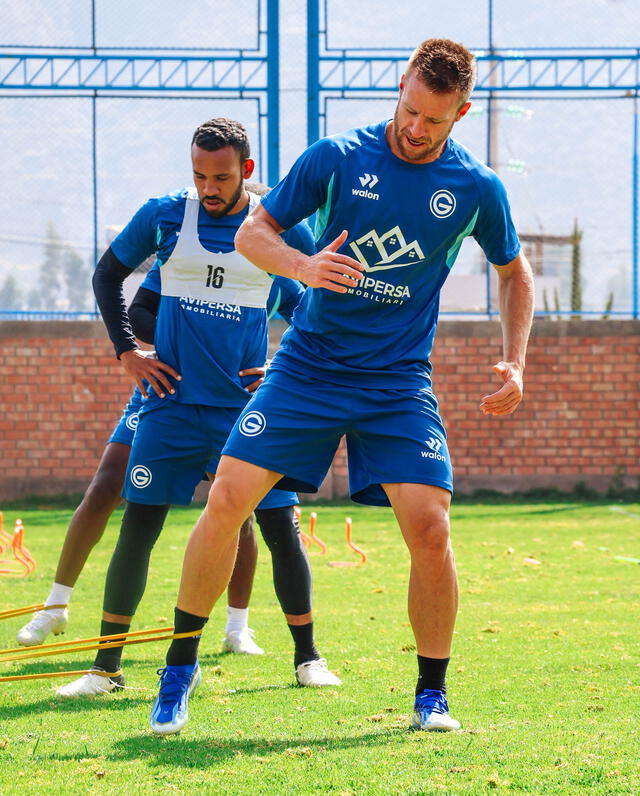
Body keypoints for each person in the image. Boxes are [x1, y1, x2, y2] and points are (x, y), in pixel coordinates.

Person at [149, 38, 535, 735]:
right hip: (309, 367)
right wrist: (303, 267)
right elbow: (253, 234)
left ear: (462, 113)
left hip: (395, 381)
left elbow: (514, 272)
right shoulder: (336, 156)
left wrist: (516, 358)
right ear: (400, 88)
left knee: (430, 526)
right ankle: (179, 671)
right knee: (229, 497)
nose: (418, 129)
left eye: (436, 121)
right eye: (411, 111)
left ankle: (431, 696)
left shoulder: (477, 188)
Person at [55, 118, 340, 698]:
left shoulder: (275, 229)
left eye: (222, 176)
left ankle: (308, 658)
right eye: (199, 175)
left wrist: (284, 363)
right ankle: (104, 668)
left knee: (280, 527)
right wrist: (128, 351)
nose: (209, 187)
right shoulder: (165, 215)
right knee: (138, 526)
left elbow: (320, 298)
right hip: (170, 406)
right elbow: (108, 273)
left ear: (247, 173)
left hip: (247, 414)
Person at [14, 243, 297, 657]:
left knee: (236, 508)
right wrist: (189, 329)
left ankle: (238, 626)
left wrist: (277, 366)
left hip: (231, 396)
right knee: (107, 484)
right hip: (163, 386)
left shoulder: (272, 265)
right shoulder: (182, 257)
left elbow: (308, 319)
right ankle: (55, 605)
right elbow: (139, 313)